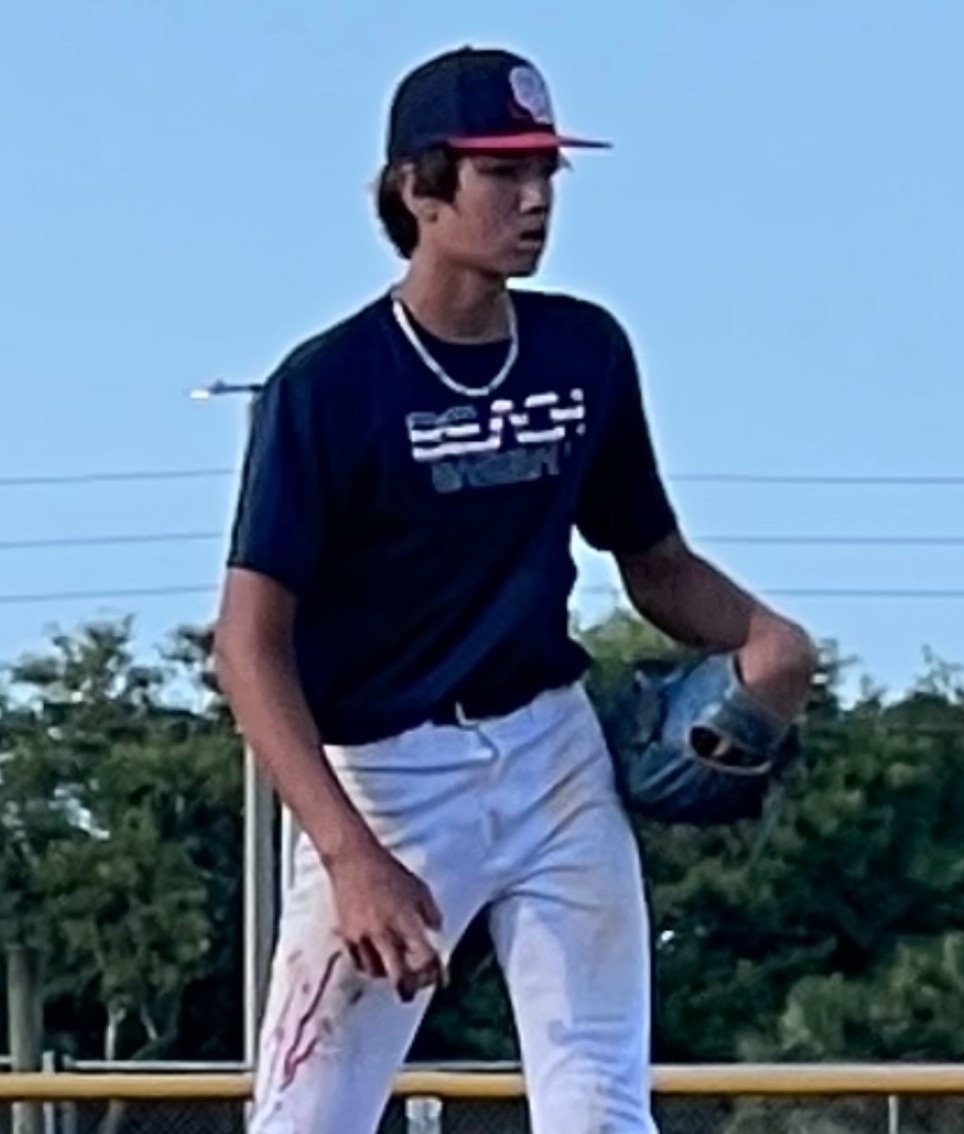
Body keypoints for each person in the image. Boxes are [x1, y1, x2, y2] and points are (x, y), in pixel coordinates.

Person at [213, 44, 816, 1134]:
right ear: (419, 188)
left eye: (545, 169)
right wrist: (349, 855)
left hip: (551, 753)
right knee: (308, 1118)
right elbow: (248, 646)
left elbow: (654, 561)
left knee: (598, 1104)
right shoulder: (330, 386)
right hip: (387, 779)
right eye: (501, 171)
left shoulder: (583, 350)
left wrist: (769, 639)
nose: (535, 197)